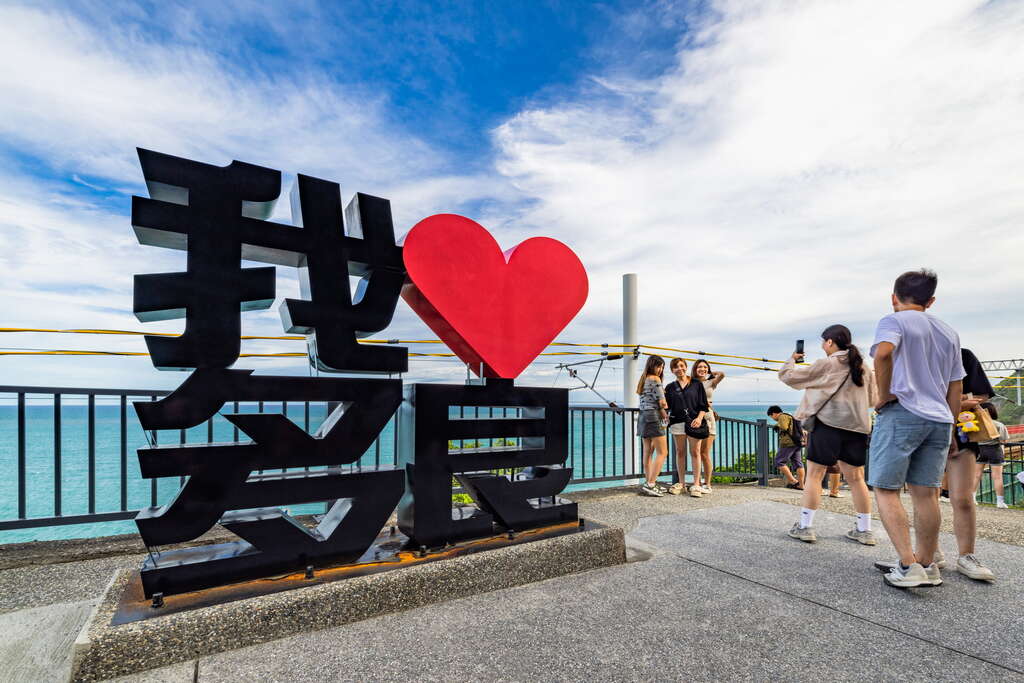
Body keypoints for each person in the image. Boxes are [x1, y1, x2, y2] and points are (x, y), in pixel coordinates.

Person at [868, 269, 964, 588]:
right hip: (940, 419)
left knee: (886, 488)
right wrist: (952, 427)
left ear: (893, 297)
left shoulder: (894, 320)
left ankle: (908, 566)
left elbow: (883, 353)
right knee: (926, 493)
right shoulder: (949, 332)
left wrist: (883, 395)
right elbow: (956, 385)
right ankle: (927, 563)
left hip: (903, 413)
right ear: (931, 301)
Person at [778, 324, 878, 545]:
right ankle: (865, 530)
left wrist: (792, 359)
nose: (823, 346)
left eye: (824, 342)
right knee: (856, 479)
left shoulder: (826, 364)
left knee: (814, 476)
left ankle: (805, 527)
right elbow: (873, 399)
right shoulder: (863, 367)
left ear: (830, 342)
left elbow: (788, 376)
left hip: (827, 426)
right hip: (857, 429)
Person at [665, 357, 710, 497]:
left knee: (695, 452)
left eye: (681, 365)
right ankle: (682, 483)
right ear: (672, 370)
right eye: (676, 367)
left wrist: (699, 418)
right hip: (677, 422)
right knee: (680, 452)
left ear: (686, 366)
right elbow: (666, 407)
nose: (679, 369)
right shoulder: (670, 387)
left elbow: (703, 405)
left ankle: (696, 484)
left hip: (694, 422)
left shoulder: (696, 384)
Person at [636, 355, 670, 497]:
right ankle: (651, 484)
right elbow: (662, 403)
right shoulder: (655, 379)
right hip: (653, 416)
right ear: (652, 366)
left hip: (643, 416)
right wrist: (665, 409)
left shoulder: (643, 379)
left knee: (648, 452)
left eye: (662, 367)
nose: (660, 369)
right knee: (663, 452)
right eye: (658, 366)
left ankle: (649, 482)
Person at [692, 359, 725, 492]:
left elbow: (722, 374)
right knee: (695, 453)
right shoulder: (691, 383)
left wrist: (710, 372)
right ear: (695, 369)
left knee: (705, 453)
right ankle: (697, 482)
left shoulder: (711, 382)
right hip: (695, 419)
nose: (702, 369)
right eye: (699, 367)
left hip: (708, 418)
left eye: (705, 367)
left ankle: (708, 484)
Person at [975, 402, 1009, 509]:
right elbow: (1004, 440)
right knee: (997, 477)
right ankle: (1000, 502)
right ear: (993, 411)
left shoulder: (976, 423)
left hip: (979, 450)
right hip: (994, 450)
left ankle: (972, 498)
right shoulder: (998, 425)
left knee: (976, 475)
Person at [767, 406, 805, 489]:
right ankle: (801, 485)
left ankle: (793, 481)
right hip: (797, 442)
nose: (773, 419)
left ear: (774, 413)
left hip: (788, 443)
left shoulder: (782, 416)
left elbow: (784, 427)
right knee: (798, 464)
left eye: (771, 416)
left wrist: (777, 426)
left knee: (779, 461)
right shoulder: (790, 416)